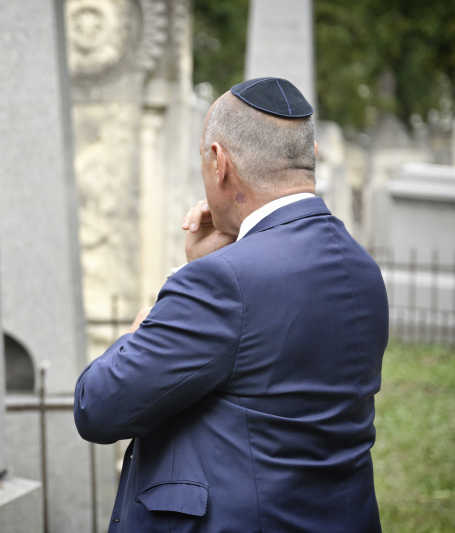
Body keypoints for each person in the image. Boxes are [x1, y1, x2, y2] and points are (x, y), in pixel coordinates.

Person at [74, 77, 389, 532]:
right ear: (311, 156)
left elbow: (98, 407)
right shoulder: (362, 268)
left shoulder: (222, 282)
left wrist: (167, 297)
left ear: (219, 163)